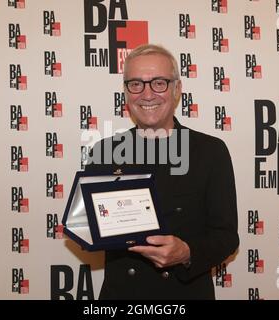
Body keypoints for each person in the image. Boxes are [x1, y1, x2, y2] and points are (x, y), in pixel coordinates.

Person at [85, 44, 239, 299]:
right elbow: (87, 227)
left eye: (159, 83)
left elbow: (226, 237)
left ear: (177, 89)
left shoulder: (210, 151)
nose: (147, 94)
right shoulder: (104, 151)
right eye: (136, 84)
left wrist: (187, 252)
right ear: (125, 92)